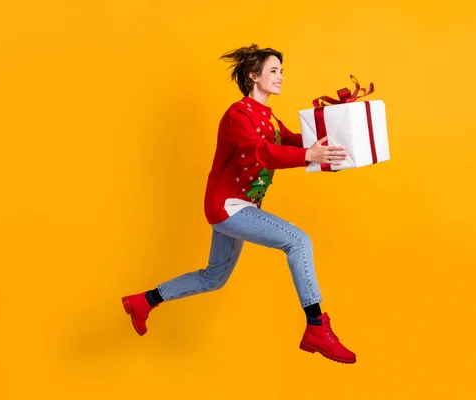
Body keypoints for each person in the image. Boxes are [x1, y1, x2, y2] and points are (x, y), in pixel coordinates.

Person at [121, 44, 357, 364]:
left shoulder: (268, 116)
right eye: (274, 71)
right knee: (298, 241)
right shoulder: (238, 115)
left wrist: (336, 124)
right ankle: (316, 325)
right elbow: (259, 151)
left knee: (213, 278)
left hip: (240, 207)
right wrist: (307, 156)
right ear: (253, 76)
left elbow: (288, 140)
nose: (281, 77)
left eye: (281, 71)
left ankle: (144, 301)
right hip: (229, 207)